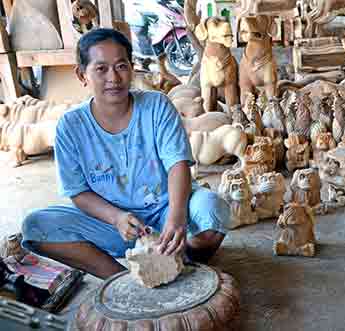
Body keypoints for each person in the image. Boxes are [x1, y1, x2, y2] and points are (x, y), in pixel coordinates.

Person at [21, 28, 229, 279]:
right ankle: (121, 278)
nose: (113, 77)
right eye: (101, 69)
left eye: (121, 66)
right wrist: (116, 217)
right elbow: (77, 192)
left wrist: (176, 218)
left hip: (166, 210)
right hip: (110, 224)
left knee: (213, 210)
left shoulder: (156, 105)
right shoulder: (71, 126)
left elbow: (177, 164)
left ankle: (180, 262)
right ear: (81, 74)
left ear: (131, 68)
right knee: (35, 226)